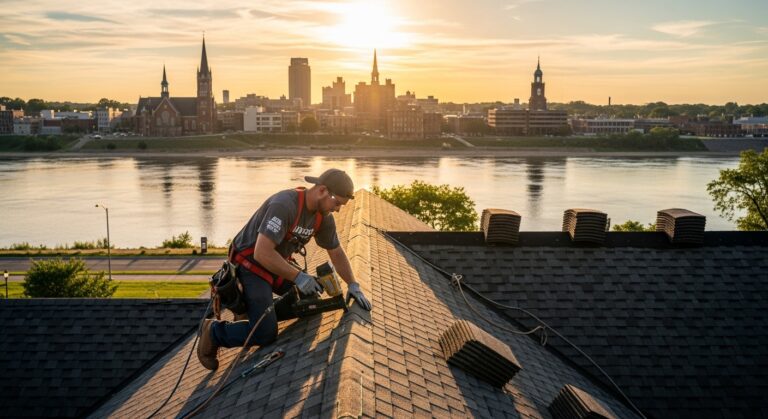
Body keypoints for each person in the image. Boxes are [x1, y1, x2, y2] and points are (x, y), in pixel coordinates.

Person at [197, 168, 372, 370]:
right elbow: (261, 252)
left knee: (311, 303)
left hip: (277, 263)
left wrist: (353, 284)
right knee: (265, 334)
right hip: (251, 265)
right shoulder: (285, 205)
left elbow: (336, 251)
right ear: (323, 190)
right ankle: (214, 332)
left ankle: (252, 313)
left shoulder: (322, 217)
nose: (338, 209)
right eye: (337, 203)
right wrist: (298, 277)